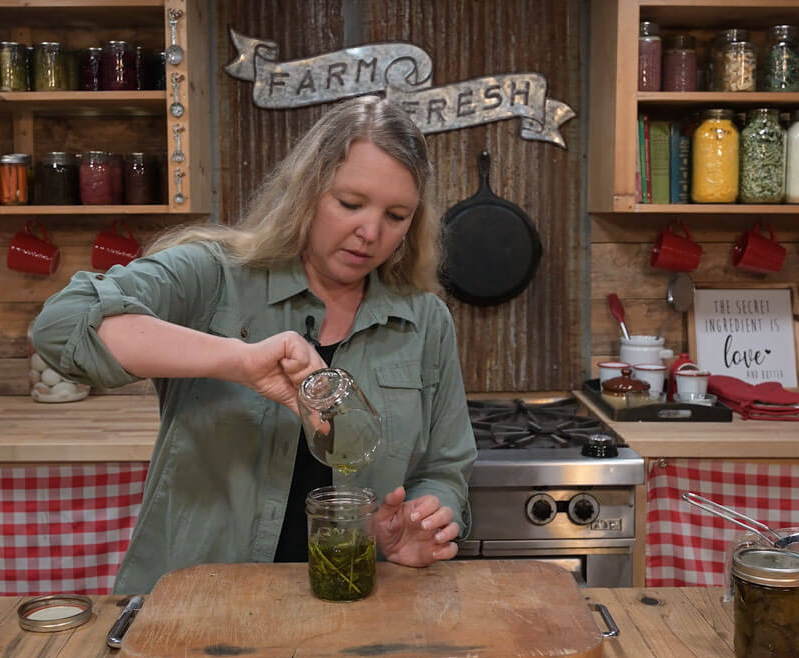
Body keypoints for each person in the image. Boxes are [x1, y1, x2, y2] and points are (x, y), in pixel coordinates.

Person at [31, 95, 477, 594]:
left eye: (396, 215)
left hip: (353, 601)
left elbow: (443, 469)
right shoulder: (213, 276)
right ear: (306, 192)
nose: (370, 232)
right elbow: (60, 326)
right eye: (350, 204)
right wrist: (239, 361)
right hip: (194, 607)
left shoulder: (424, 321)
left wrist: (423, 521)